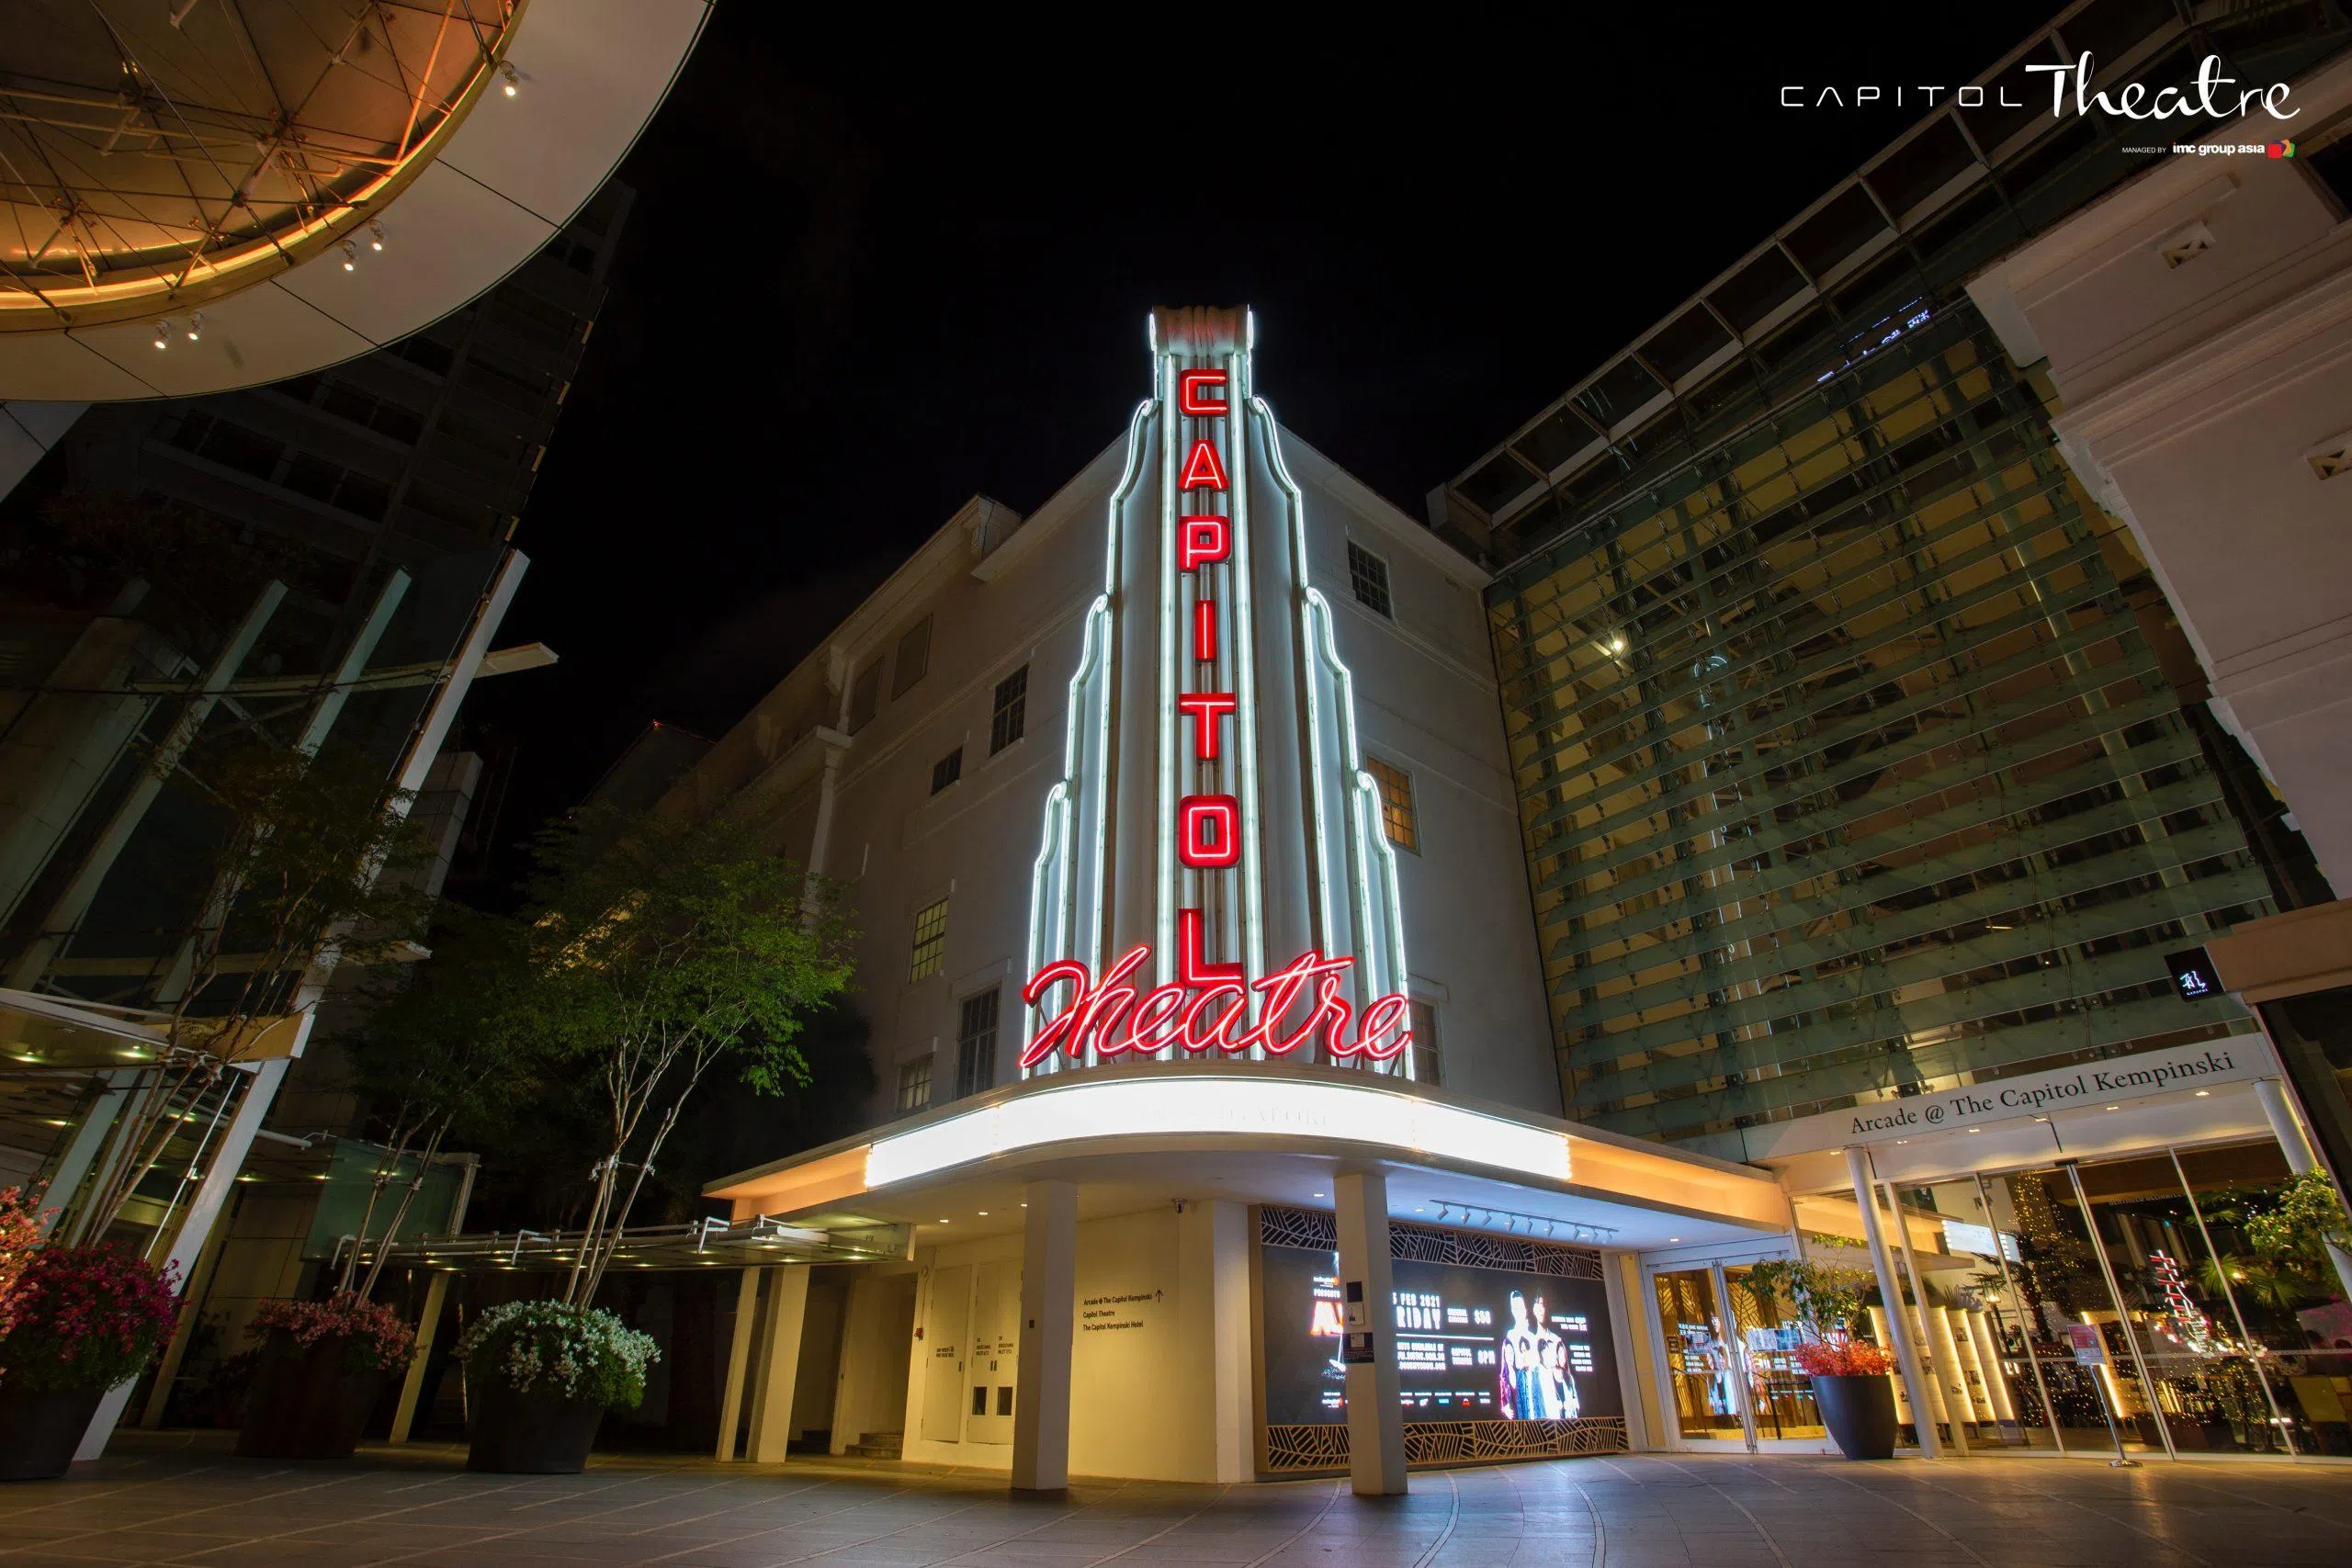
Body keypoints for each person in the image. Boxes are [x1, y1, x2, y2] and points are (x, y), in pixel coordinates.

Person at [1532, 1295, 1577, 1419]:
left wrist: (1571, 1404)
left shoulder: (1557, 1340)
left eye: (1543, 1305)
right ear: (1533, 1309)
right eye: (1538, 1306)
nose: (1540, 1310)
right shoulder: (1531, 1341)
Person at [1500, 1291, 1544, 1419]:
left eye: (1521, 1307)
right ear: (1512, 1311)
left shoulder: (1533, 1337)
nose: (1519, 1311)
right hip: (1517, 1397)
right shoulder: (1510, 1336)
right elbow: (1504, 1373)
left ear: (1525, 1309)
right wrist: (1504, 1405)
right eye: (1516, 1308)